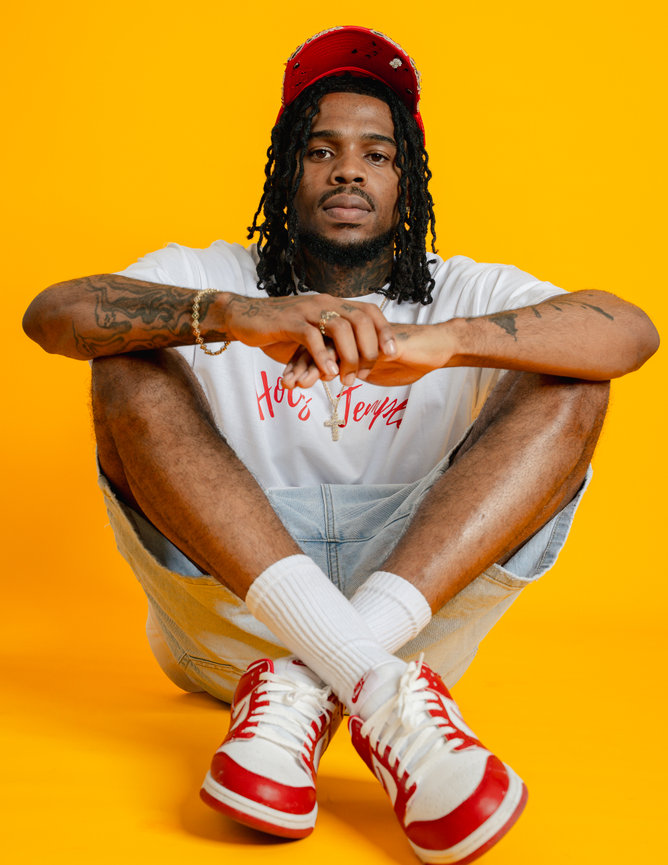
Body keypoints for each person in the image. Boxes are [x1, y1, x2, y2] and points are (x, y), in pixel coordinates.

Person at [23, 25, 658, 865]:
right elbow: (53, 313)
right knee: (126, 354)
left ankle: (316, 681)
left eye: (377, 154)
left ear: (408, 179)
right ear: (288, 169)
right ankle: (378, 692)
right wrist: (230, 316)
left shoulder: (463, 290)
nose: (349, 169)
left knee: (569, 372)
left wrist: (444, 342)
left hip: (411, 615)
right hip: (231, 622)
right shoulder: (213, 271)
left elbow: (630, 331)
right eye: (321, 149)